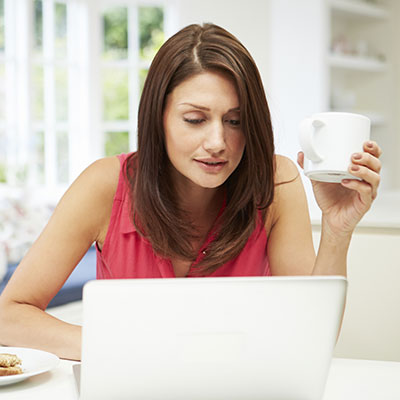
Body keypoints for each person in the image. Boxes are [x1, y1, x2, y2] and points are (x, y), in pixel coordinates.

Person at [0, 23, 381, 361]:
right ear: (159, 118)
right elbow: (9, 315)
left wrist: (337, 228)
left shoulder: (276, 181)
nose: (217, 142)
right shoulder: (105, 184)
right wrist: (116, 347)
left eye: (235, 121)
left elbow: (311, 337)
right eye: (195, 119)